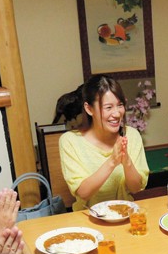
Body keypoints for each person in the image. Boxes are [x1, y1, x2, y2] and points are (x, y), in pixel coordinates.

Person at [59, 75, 150, 210]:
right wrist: (112, 161)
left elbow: (136, 188)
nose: (117, 114)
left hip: (125, 214)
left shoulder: (131, 135)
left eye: (120, 105)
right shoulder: (70, 141)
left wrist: (126, 161)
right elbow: (83, 193)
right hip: (87, 217)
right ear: (89, 109)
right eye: (108, 107)